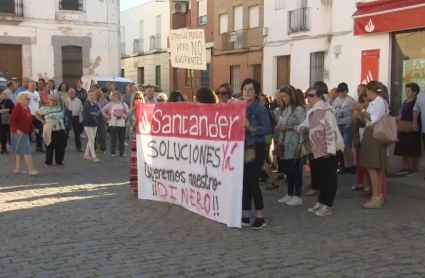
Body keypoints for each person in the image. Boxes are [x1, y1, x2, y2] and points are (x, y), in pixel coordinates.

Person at [300, 86, 343, 216]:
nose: (308, 98)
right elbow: (306, 125)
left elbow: (330, 130)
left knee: (329, 178)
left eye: (311, 96)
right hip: (318, 150)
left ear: (319, 97)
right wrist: (303, 129)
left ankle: (327, 205)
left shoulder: (325, 110)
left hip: (330, 150)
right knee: (321, 178)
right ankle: (321, 201)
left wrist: (329, 151)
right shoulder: (312, 110)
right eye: (307, 96)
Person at [241, 78, 271, 230]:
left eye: (250, 89)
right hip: (242, 148)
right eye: (245, 88)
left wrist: (252, 128)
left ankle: (260, 215)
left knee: (253, 181)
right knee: (244, 181)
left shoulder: (260, 109)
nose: (247, 91)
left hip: (256, 147)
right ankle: (245, 215)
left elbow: (267, 129)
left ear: (256, 92)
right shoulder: (239, 108)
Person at [353, 81, 388, 209]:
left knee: (373, 166)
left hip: (374, 134)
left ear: (370, 90)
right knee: (374, 166)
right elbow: (366, 119)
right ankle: (377, 195)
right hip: (369, 133)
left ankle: (376, 196)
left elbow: (374, 118)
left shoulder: (380, 102)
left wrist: (362, 109)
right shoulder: (374, 102)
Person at [276, 86, 306, 205]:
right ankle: (290, 193)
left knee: (295, 170)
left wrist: (288, 127)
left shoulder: (298, 109)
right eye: (281, 96)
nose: (283, 99)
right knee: (288, 170)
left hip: (294, 143)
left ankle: (298, 195)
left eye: (285, 96)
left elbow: (303, 126)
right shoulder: (284, 109)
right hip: (284, 143)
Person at [394, 83, 421, 176]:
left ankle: (414, 169)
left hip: (412, 129)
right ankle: (405, 167)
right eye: (406, 90)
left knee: (413, 150)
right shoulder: (406, 101)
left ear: (415, 92)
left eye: (409, 91)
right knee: (403, 149)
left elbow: (414, 114)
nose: (406, 92)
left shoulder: (416, 102)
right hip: (402, 129)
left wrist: (400, 117)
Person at [8, 92, 39, 176]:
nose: (29, 100)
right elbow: (11, 121)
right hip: (17, 133)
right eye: (27, 99)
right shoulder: (17, 108)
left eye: (29, 99)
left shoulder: (26, 107)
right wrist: (17, 130)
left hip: (25, 132)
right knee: (26, 150)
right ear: (21, 100)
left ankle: (18, 169)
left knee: (20, 151)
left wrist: (33, 128)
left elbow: (29, 121)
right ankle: (31, 169)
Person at [35, 94, 68, 166]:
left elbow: (67, 101)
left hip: (60, 127)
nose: (52, 101)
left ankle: (59, 160)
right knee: (50, 145)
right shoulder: (45, 107)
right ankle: (48, 161)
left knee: (61, 145)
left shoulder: (60, 106)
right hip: (50, 128)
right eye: (51, 100)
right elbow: (36, 113)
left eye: (54, 100)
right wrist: (42, 121)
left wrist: (59, 97)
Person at [351, 84, 370, 190]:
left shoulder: (370, 106)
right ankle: (360, 181)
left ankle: (369, 184)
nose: (359, 94)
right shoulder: (359, 105)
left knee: (367, 161)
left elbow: (365, 121)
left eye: (364, 94)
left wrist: (361, 112)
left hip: (366, 134)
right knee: (359, 160)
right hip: (357, 134)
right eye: (358, 91)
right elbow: (353, 120)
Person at [334, 82, 356, 175]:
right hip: (338, 125)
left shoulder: (350, 100)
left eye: (343, 91)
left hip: (347, 125)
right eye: (340, 91)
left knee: (347, 146)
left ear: (346, 91)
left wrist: (350, 123)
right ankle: (343, 165)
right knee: (340, 147)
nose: (341, 93)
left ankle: (351, 165)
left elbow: (354, 113)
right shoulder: (336, 100)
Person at [18, 80, 44, 152]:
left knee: (39, 131)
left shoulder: (37, 93)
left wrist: (41, 111)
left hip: (37, 114)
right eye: (32, 86)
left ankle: (39, 147)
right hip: (28, 115)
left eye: (34, 86)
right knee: (28, 131)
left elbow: (39, 103)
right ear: (28, 86)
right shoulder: (24, 94)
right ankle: (27, 147)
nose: (33, 87)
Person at [102, 92, 129, 157]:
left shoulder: (123, 104)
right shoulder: (110, 104)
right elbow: (103, 110)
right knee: (113, 139)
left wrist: (126, 115)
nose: (113, 98)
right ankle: (113, 152)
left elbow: (128, 111)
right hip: (113, 124)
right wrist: (108, 116)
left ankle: (122, 152)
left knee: (122, 139)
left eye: (115, 97)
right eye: (113, 97)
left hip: (122, 124)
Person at [129, 92, 145, 195]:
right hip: (135, 138)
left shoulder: (146, 111)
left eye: (140, 98)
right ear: (133, 100)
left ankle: (145, 185)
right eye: (136, 98)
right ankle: (135, 186)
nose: (138, 100)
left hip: (145, 139)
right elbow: (129, 131)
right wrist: (133, 126)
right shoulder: (131, 113)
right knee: (135, 163)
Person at [82, 91, 101, 163]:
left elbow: (99, 112)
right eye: (90, 95)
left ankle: (86, 154)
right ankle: (94, 156)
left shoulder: (96, 105)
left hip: (94, 123)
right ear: (88, 96)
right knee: (91, 138)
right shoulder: (86, 104)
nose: (91, 97)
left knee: (91, 139)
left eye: (93, 95)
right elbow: (87, 112)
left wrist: (96, 114)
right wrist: (95, 114)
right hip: (87, 123)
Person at [0, 89, 14, 154]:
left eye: (5, 94)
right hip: (1, 122)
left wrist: (7, 110)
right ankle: (3, 149)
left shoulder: (8, 101)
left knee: (11, 135)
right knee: (3, 136)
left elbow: (13, 108)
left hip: (9, 121)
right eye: (3, 94)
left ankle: (13, 149)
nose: (5, 95)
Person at [94, 89, 108, 153]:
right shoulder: (92, 100)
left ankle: (103, 148)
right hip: (93, 118)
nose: (99, 95)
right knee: (94, 134)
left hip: (102, 119)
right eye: (97, 94)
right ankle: (94, 148)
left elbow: (106, 110)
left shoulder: (104, 101)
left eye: (100, 94)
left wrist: (103, 104)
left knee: (102, 134)